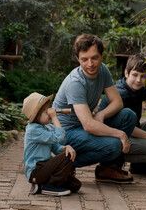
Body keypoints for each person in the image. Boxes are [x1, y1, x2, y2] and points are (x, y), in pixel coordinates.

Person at [52, 33, 136, 183]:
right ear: (78, 59)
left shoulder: (102, 70)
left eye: (94, 58)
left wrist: (102, 114)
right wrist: (121, 135)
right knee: (114, 145)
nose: (90, 64)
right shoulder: (75, 82)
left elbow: (118, 102)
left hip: (82, 127)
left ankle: (108, 168)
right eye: (84, 59)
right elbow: (89, 125)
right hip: (65, 133)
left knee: (128, 115)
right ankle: (63, 163)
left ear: (101, 55)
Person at [22, 92, 81, 196]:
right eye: (46, 112)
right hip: (36, 170)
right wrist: (54, 117)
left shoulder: (43, 128)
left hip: (44, 168)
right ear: (36, 115)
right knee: (67, 157)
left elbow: (55, 147)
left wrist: (65, 148)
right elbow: (60, 137)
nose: (50, 113)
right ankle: (48, 186)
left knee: (75, 185)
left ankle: (41, 184)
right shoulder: (33, 130)